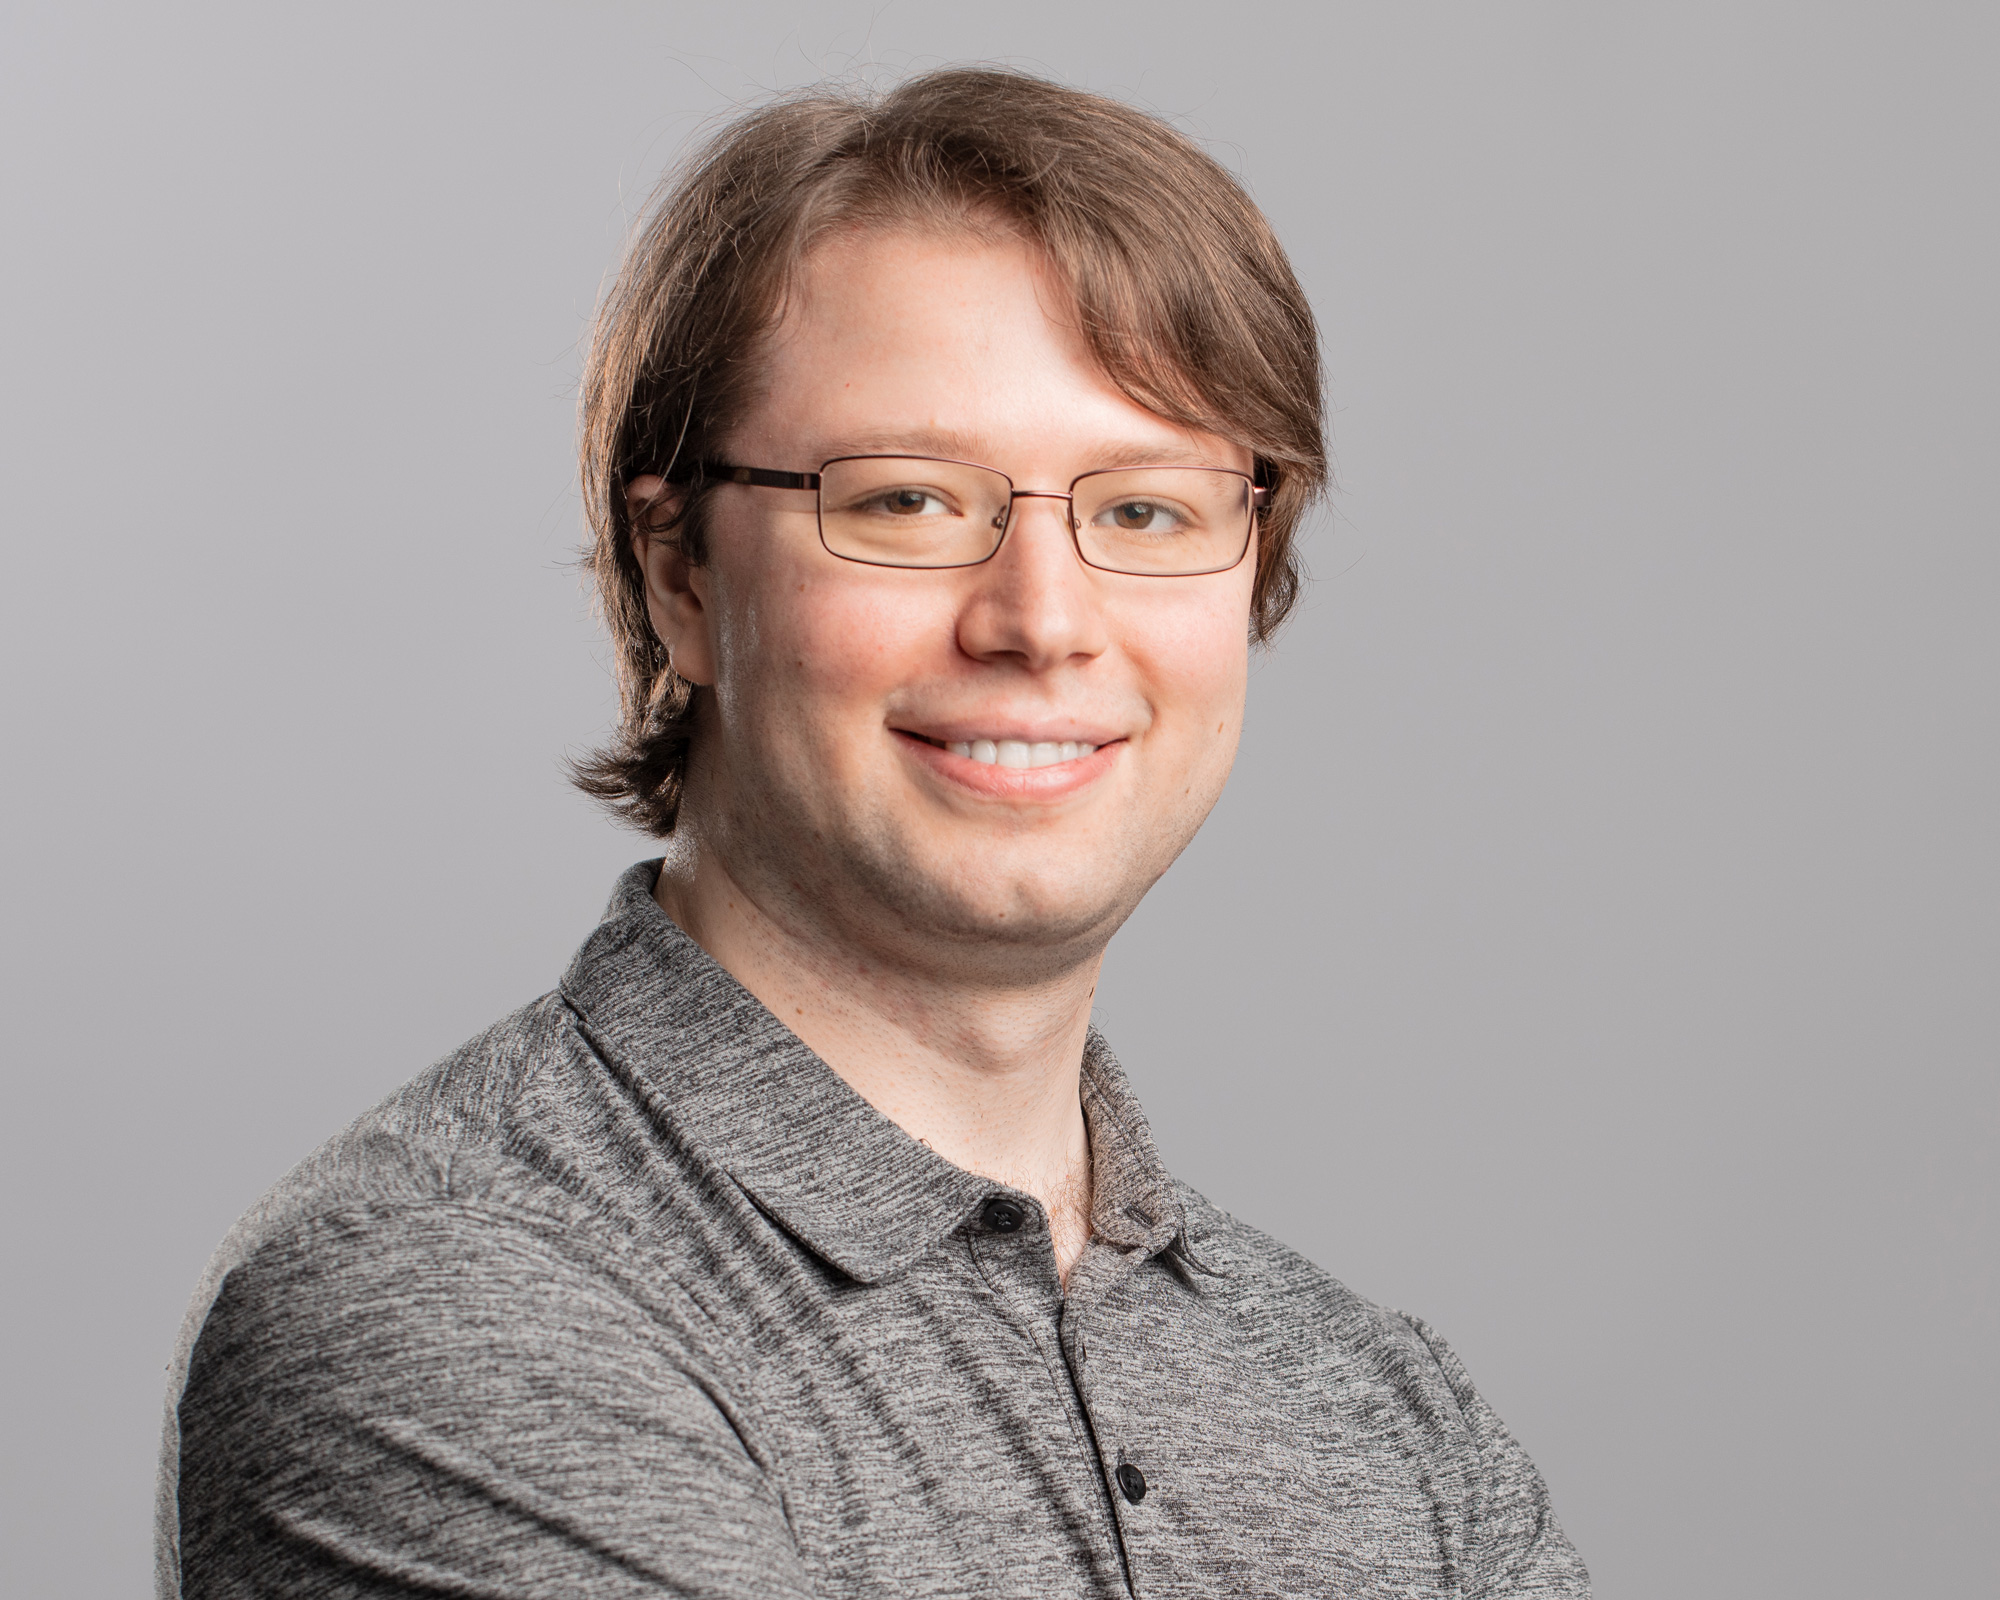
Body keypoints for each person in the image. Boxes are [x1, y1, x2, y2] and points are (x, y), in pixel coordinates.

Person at [158, 68, 1590, 1600]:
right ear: (680, 578)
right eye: (908, 500)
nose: (1043, 620)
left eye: (1148, 511)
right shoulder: (438, 1303)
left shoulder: (1379, 1412)